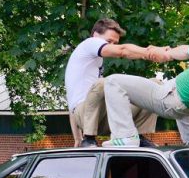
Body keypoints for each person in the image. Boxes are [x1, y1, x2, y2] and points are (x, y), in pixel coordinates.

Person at [102, 10, 189, 155]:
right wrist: (166, 54)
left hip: (170, 102)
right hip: (184, 108)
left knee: (113, 82)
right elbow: (186, 51)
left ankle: (125, 137)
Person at [64, 18, 164, 147]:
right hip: (84, 117)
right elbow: (122, 51)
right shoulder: (88, 44)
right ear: (95, 35)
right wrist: (149, 53)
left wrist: (76, 139)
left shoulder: (95, 63)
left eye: (115, 43)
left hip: (104, 119)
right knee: (104, 83)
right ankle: (89, 138)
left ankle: (138, 135)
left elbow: (71, 102)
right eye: (108, 41)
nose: (112, 46)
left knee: (153, 85)